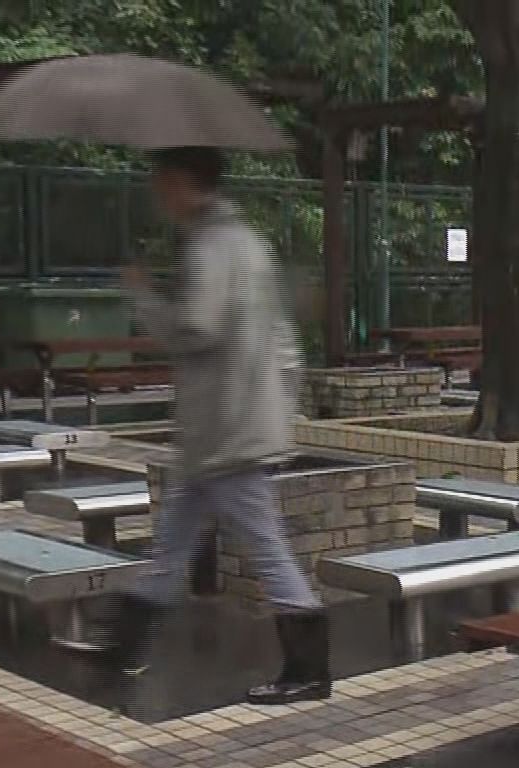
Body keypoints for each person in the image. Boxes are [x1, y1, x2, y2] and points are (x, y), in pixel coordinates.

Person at [101, 146, 329, 706]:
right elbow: (276, 340)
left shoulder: (214, 247)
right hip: (227, 425)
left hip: (229, 429)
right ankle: (121, 650)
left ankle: (309, 669)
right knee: (172, 544)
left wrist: (143, 295)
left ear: (186, 183)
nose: (159, 196)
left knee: (265, 547)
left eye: (163, 184)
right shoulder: (244, 243)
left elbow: (196, 332)